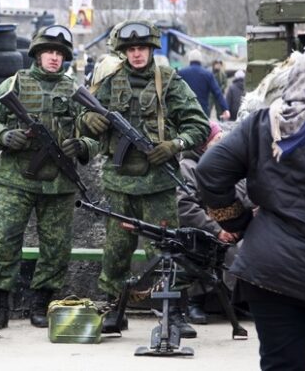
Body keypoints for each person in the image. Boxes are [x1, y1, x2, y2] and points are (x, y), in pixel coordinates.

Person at [196, 45, 305, 371]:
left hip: (269, 270)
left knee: (280, 364)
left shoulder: (264, 123)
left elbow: (208, 171)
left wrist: (235, 220)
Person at [78, 20, 210, 334]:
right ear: (123, 51)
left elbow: (199, 125)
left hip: (158, 186)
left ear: (152, 49)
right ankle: (112, 308)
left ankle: (173, 311)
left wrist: (174, 145)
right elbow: (82, 117)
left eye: (142, 48)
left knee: (165, 250)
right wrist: (89, 120)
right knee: (116, 249)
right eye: (131, 49)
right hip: (119, 182)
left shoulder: (169, 81)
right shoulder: (110, 81)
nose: (137, 54)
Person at [0, 25, 99, 329]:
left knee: (56, 247)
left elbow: (97, 133)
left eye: (59, 53)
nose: (54, 58)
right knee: (4, 241)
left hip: (58, 183)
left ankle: (41, 303)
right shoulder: (15, 83)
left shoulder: (75, 92)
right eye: (49, 52)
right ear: (37, 54)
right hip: (16, 178)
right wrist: (4, 136)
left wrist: (82, 145)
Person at [177, 120, 254, 324]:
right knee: (196, 247)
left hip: (237, 224)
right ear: (204, 143)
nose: (222, 142)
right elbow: (185, 206)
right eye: (217, 139)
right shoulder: (188, 167)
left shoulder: (229, 164)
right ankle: (196, 302)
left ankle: (240, 300)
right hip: (207, 226)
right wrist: (216, 229)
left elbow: (246, 192)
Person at [178, 49, 230, 121]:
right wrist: (225, 109)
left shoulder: (181, 73)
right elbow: (217, 92)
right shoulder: (207, 74)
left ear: (189, 59)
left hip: (185, 111)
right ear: (201, 60)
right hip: (202, 112)